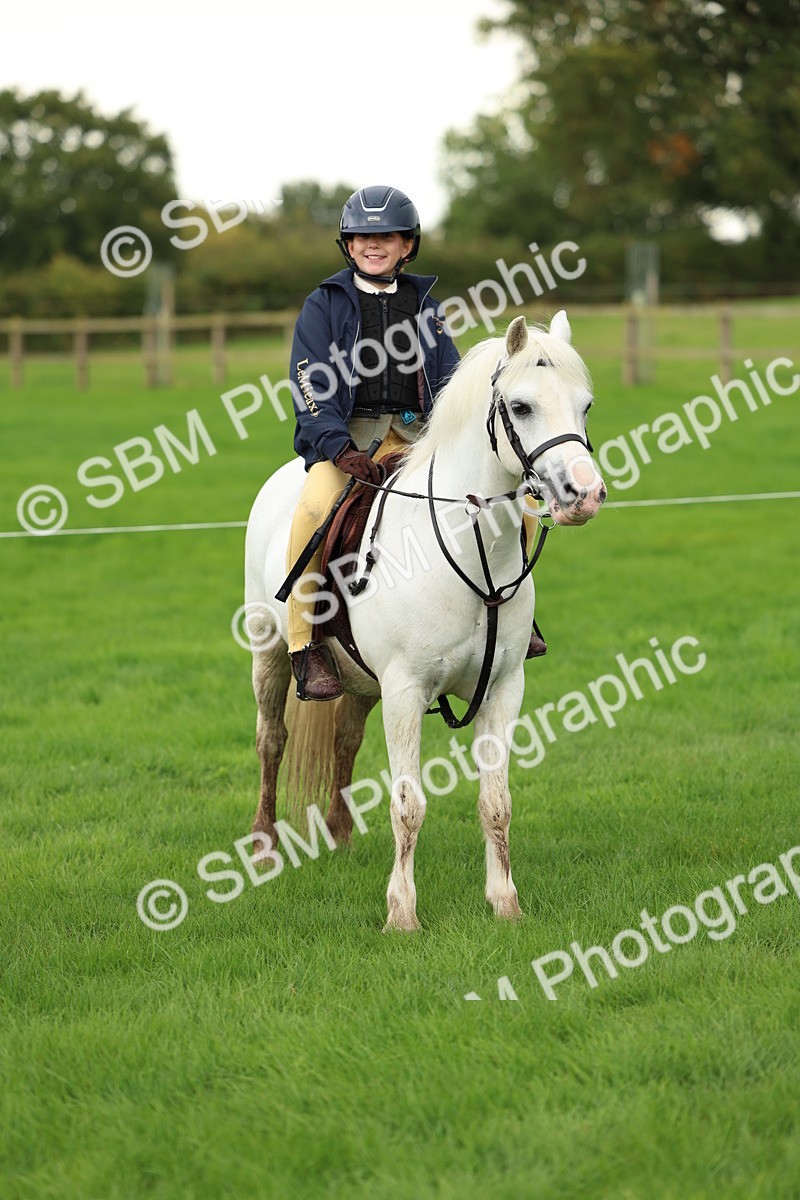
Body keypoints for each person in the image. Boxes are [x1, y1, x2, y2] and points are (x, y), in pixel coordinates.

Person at [285, 184, 460, 700]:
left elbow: (450, 376)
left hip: (417, 436)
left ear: (408, 245)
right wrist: (337, 448)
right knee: (314, 511)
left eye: (385, 236)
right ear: (348, 244)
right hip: (351, 436)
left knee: (500, 500)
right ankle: (306, 644)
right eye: (362, 236)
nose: (372, 244)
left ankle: (516, 617)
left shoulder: (427, 306)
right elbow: (309, 379)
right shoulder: (326, 302)